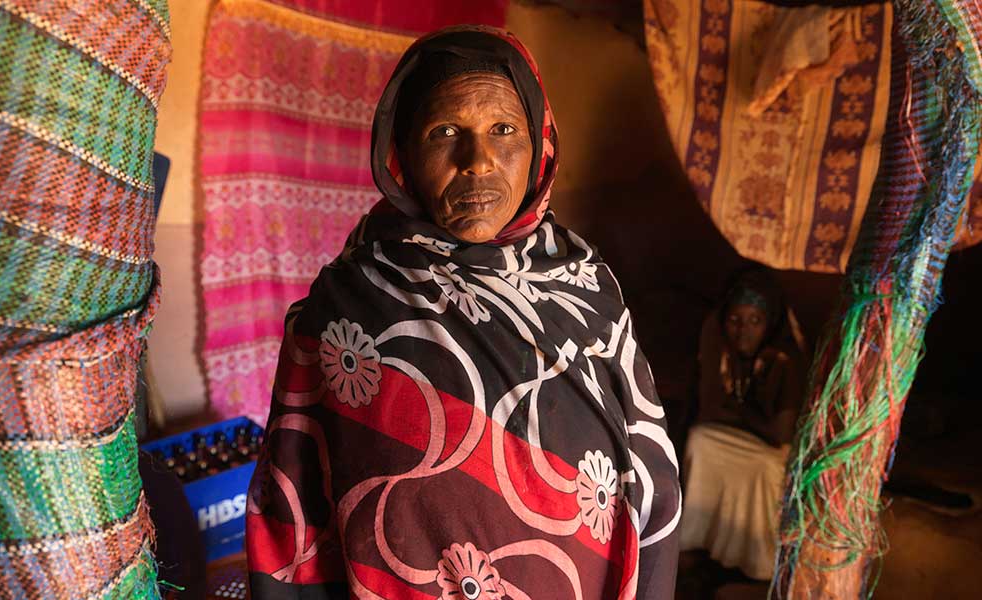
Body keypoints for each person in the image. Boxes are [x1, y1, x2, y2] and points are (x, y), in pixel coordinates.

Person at [245, 26, 681, 599]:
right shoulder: (345, 304)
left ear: (539, 145)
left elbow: (649, 469)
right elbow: (292, 502)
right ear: (401, 151)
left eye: (504, 130)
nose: (478, 162)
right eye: (446, 131)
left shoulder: (586, 287)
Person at [679, 268, 808, 581]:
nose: (743, 331)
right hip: (732, 438)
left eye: (754, 321)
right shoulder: (720, 351)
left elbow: (780, 434)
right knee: (699, 440)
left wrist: (736, 411)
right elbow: (707, 413)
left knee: (767, 465)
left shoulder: (783, 362)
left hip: (768, 449)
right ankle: (697, 541)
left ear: (769, 323)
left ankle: (758, 561)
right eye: (736, 320)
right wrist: (738, 415)